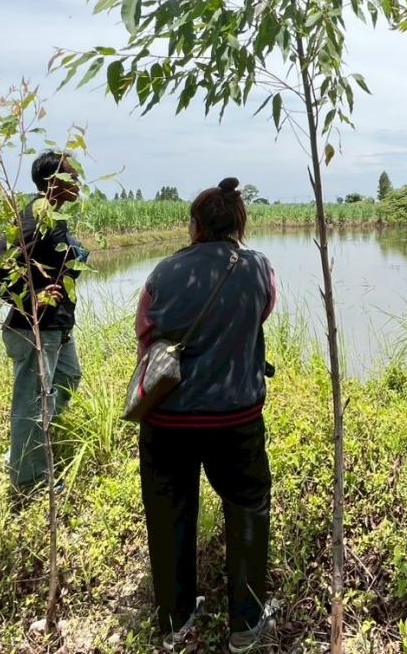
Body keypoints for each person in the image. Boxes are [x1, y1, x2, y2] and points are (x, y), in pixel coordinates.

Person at [134, 177, 279, 652]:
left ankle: (176, 621)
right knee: (248, 507)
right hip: (235, 418)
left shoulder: (162, 271)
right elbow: (262, 312)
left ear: (194, 225)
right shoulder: (260, 268)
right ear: (241, 222)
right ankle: (246, 623)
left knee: (169, 511)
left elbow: (145, 333)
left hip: (167, 420)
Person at [0, 150, 88, 497]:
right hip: (35, 328)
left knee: (68, 378)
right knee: (31, 401)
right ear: (52, 183)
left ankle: (23, 451)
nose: (77, 180)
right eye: (70, 175)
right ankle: (28, 480)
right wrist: (30, 299)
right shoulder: (36, 215)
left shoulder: (53, 217)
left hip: (56, 327)